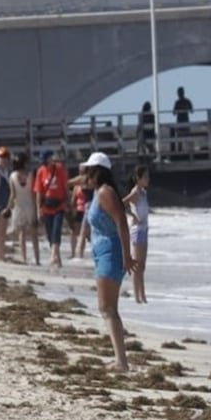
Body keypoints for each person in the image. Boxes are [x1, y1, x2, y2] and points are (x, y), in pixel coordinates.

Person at [82, 152, 136, 372]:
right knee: (109, 308)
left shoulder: (105, 192)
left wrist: (127, 256)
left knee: (107, 308)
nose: (85, 175)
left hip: (111, 253)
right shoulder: (98, 191)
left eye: (89, 171)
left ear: (98, 172)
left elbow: (122, 223)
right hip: (103, 252)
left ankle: (121, 362)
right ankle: (120, 359)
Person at [32, 149, 68, 269]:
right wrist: (38, 210)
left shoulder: (59, 169)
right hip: (46, 206)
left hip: (59, 205)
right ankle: (58, 259)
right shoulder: (40, 171)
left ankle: (53, 256)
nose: (44, 163)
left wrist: (68, 203)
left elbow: (65, 187)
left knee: (56, 230)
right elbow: (38, 192)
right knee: (49, 233)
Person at [6, 152, 40, 265]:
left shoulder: (12, 176)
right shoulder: (31, 175)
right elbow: (33, 193)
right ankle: (37, 259)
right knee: (34, 233)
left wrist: (8, 208)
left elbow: (12, 195)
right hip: (30, 205)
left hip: (18, 206)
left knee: (22, 234)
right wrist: (37, 209)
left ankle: (24, 258)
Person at [123, 165, 150, 304]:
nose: (147, 179)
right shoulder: (135, 192)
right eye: (145, 177)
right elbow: (122, 203)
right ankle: (137, 296)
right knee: (137, 264)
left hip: (144, 228)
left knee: (142, 265)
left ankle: (143, 294)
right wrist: (131, 214)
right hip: (137, 229)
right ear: (138, 179)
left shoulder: (143, 192)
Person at [66, 163, 87, 259]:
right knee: (73, 231)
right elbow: (73, 199)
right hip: (79, 210)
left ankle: (81, 253)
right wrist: (71, 209)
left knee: (85, 232)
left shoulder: (89, 182)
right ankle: (73, 252)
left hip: (87, 209)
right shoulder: (76, 186)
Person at [173, 86, 193, 153]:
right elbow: (174, 112)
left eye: (180, 93)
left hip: (185, 121)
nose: (179, 94)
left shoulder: (187, 101)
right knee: (179, 136)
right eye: (179, 93)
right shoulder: (177, 102)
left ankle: (189, 150)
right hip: (180, 121)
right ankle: (180, 150)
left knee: (187, 135)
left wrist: (186, 108)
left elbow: (191, 110)